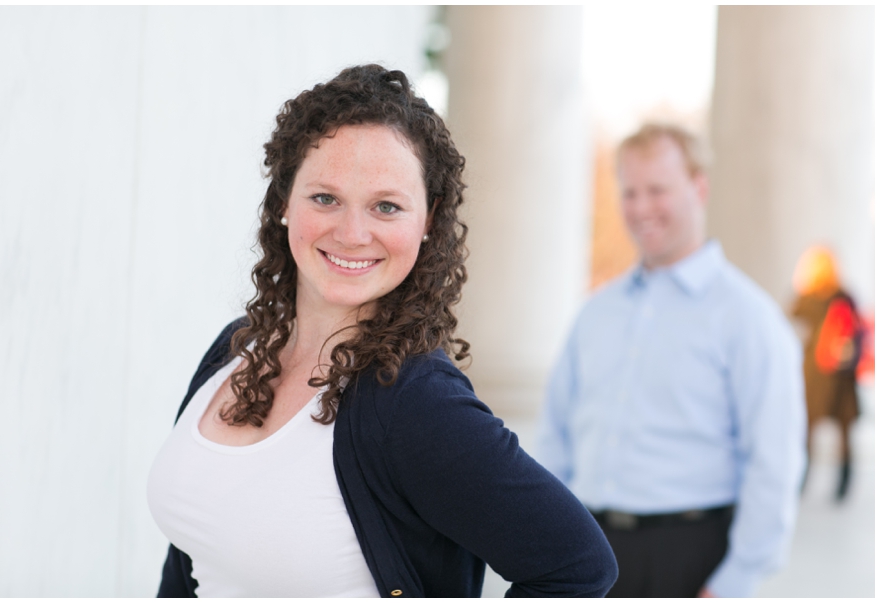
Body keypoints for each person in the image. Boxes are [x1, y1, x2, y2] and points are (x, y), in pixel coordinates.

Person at [147, 64, 617, 598]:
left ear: (427, 222)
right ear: (283, 201)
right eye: (325, 198)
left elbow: (576, 566)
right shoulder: (237, 349)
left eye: (386, 206)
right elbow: (190, 556)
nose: (351, 233)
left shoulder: (415, 403)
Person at [537, 123, 806, 598]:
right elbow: (556, 434)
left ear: (699, 187)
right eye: (630, 192)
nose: (641, 208)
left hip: (692, 557)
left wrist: (733, 582)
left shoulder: (748, 317)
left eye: (657, 190)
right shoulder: (595, 313)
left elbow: (774, 460)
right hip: (591, 550)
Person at [790, 246, 862, 500]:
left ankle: (801, 480)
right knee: (843, 431)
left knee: (807, 429)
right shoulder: (845, 296)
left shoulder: (807, 298)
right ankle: (843, 486)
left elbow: (791, 325)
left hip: (816, 373)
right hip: (841, 374)